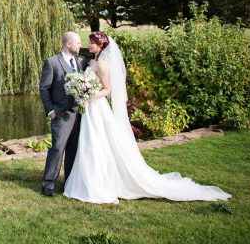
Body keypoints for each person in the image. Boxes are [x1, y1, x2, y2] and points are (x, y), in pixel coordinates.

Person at [63, 31, 231, 203]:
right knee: (89, 142)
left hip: (97, 107)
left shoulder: (103, 65)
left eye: (91, 42)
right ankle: (87, 181)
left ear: (100, 45)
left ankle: (100, 183)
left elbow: (107, 90)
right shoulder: (93, 61)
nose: (88, 44)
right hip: (90, 108)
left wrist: (90, 95)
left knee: (97, 142)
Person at [39, 31, 87, 196]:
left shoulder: (81, 62)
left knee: (73, 149)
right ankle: (48, 184)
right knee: (58, 148)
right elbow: (44, 88)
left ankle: (69, 183)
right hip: (60, 114)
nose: (81, 45)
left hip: (78, 114)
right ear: (68, 44)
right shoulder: (52, 62)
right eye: (78, 42)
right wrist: (50, 111)